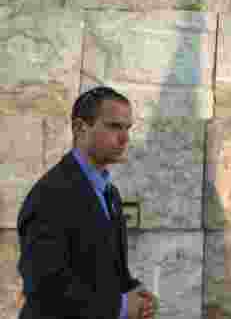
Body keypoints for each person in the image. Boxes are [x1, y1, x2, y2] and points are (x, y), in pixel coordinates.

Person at [17, 86, 157, 319]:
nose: (125, 138)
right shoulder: (49, 196)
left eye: (127, 128)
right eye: (114, 126)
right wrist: (120, 307)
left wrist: (134, 292)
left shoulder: (110, 193)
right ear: (80, 128)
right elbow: (44, 290)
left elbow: (104, 269)